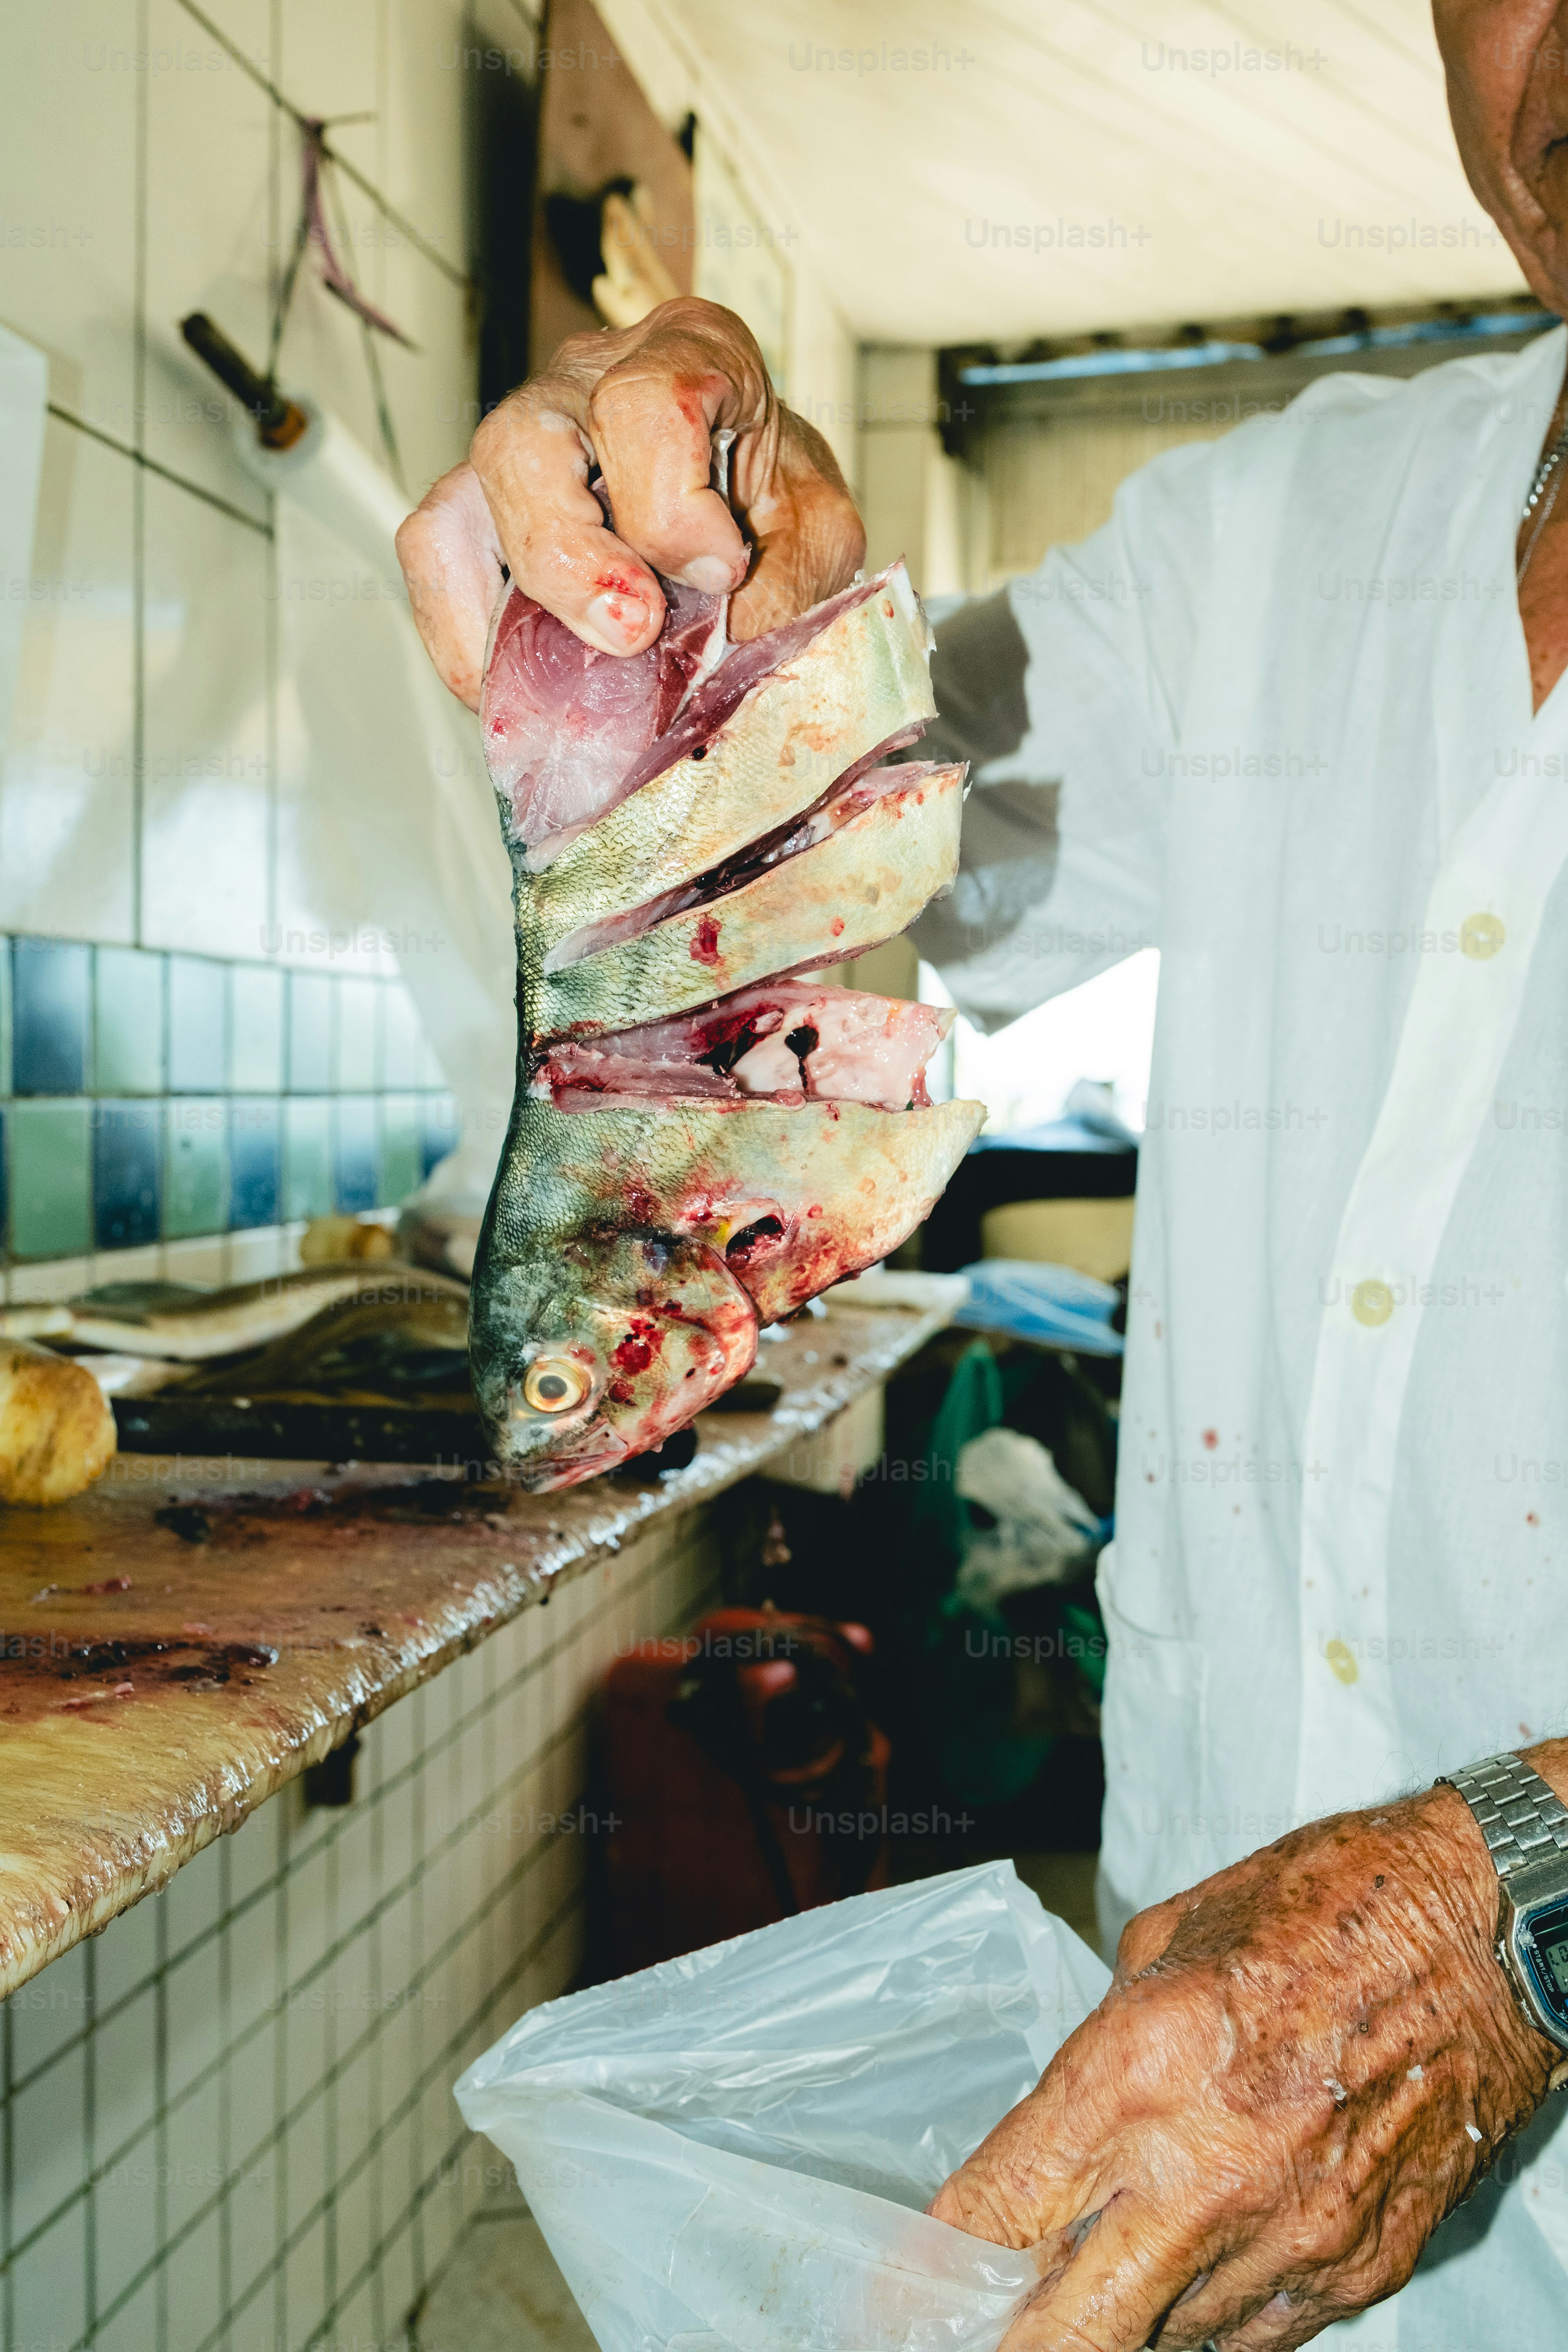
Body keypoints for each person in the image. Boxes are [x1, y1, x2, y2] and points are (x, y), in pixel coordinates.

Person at [397, 7, 1568, 2340]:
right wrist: (720, 615)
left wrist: (1512, 1904)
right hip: (1197, 2196)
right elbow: (869, 864)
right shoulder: (1277, 533)